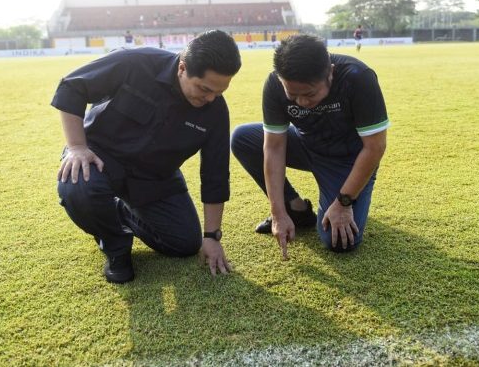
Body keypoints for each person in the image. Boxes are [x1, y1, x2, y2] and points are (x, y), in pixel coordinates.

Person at [52, 30, 241, 283]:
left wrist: (211, 236)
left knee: (184, 243)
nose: (210, 98)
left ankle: (118, 212)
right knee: (79, 186)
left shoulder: (215, 110)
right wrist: (76, 147)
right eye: (205, 89)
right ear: (182, 68)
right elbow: (72, 87)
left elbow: (215, 174)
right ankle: (116, 246)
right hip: (100, 158)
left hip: (156, 177)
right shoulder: (134, 62)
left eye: (219, 92)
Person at [231, 34, 389, 257]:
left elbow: (375, 147)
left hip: (347, 161)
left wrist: (343, 203)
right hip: (306, 145)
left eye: (310, 94)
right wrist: (278, 212)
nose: (302, 102)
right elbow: (274, 147)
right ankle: (295, 209)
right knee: (243, 138)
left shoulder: (357, 77)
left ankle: (346, 198)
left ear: (330, 73)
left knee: (340, 242)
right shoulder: (274, 83)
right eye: (292, 94)